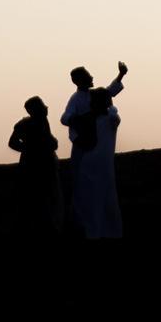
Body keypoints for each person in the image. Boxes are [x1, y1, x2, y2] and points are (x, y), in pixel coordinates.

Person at [61, 62, 127, 234]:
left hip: (97, 147)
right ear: (79, 80)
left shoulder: (98, 99)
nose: (91, 77)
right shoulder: (76, 99)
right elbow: (66, 117)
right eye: (88, 75)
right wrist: (83, 121)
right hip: (84, 146)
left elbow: (109, 91)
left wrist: (121, 75)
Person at [69, 88, 124, 239]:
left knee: (95, 201)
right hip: (96, 166)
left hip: (95, 166)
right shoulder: (107, 118)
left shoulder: (108, 118)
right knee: (97, 201)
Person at [8, 96, 65, 236]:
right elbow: (13, 142)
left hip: (44, 164)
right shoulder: (25, 124)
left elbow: (50, 141)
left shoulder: (42, 122)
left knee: (47, 198)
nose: (46, 108)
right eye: (42, 106)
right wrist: (30, 149)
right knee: (39, 199)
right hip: (35, 166)